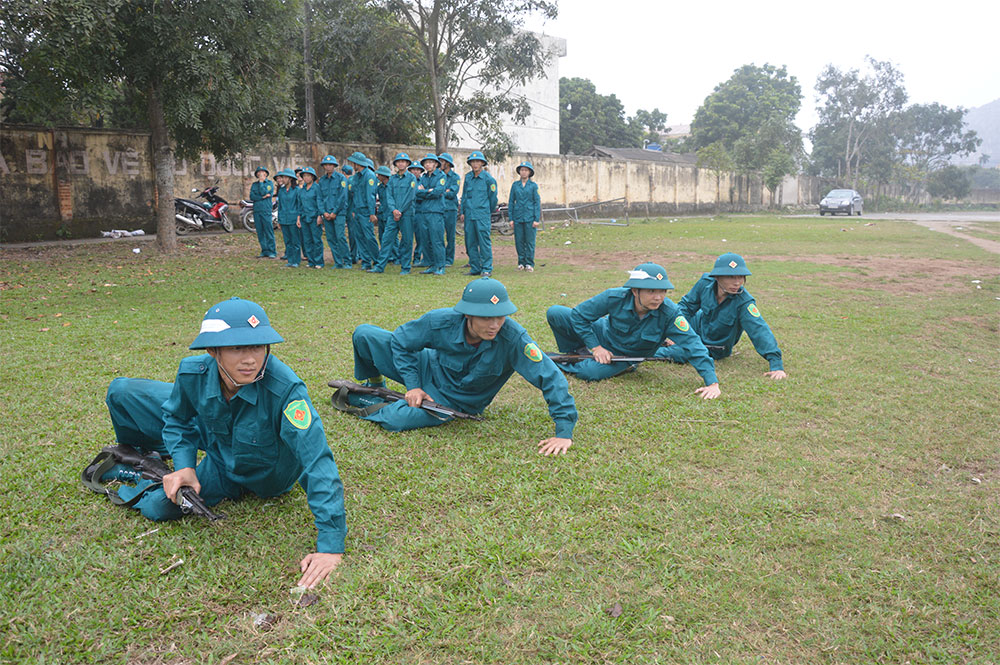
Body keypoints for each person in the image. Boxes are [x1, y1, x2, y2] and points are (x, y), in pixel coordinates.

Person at [98, 297, 347, 588]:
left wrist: (330, 548)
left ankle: (156, 470)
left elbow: (316, 461)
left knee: (158, 507)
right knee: (125, 395)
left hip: (263, 473)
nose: (250, 359)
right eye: (236, 347)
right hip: (219, 450)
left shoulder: (286, 392)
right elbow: (177, 419)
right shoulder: (194, 373)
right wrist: (184, 466)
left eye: (257, 346)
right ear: (213, 351)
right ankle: (150, 459)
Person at [340, 277, 577, 455]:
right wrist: (413, 385)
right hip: (428, 369)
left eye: (501, 316)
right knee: (365, 334)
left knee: (395, 420)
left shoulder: (513, 338)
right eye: (486, 317)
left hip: (453, 400)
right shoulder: (440, 321)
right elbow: (402, 341)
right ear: (467, 315)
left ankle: (370, 401)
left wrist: (564, 433)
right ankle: (374, 385)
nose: (494, 324)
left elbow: (551, 377)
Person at [546, 262, 722, 399]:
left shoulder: (670, 313)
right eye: (651, 291)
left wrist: (712, 382)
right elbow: (579, 315)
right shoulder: (614, 297)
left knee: (589, 373)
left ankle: (571, 361)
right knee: (556, 313)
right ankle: (576, 352)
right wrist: (596, 347)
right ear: (634, 291)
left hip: (624, 355)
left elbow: (693, 343)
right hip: (604, 333)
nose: (658, 297)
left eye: (663, 291)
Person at [655, 253, 786, 379]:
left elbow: (759, 330)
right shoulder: (705, 283)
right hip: (698, 324)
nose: (737, 282)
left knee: (682, 353)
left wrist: (776, 364)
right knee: (665, 318)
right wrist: (675, 332)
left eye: (741, 277)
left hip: (714, 345)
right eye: (731, 277)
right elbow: (686, 307)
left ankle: (642, 354)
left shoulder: (744, 303)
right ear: (717, 277)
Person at [371, 154, 416, 275]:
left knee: (407, 240)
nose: (401, 164)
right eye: (399, 162)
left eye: (403, 162)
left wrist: (400, 210)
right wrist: (394, 210)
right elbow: (388, 196)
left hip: (406, 214)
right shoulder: (392, 180)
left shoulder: (412, 178)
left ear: (407, 164)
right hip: (393, 214)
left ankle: (405, 267)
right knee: (386, 239)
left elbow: (410, 196)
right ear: (395, 164)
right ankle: (380, 266)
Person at [459, 150, 498, 277]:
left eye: (478, 161)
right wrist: (463, 211)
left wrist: (486, 211)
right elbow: (464, 195)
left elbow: (493, 199)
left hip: (482, 215)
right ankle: (475, 267)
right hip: (469, 215)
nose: (475, 164)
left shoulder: (489, 179)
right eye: (473, 162)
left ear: (482, 163)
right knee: (470, 242)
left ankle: (486, 268)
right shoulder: (468, 177)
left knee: (484, 242)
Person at [415, 153, 447, 275]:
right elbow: (417, 192)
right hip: (423, 211)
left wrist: (425, 191)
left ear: (435, 164)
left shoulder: (441, 176)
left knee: (436, 239)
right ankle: (431, 264)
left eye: (430, 162)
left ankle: (440, 266)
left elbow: (438, 191)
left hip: (435, 212)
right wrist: (428, 191)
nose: (428, 165)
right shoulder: (423, 177)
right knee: (425, 239)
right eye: (426, 163)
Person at [318, 155, 351, 269]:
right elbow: (319, 198)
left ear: (334, 166)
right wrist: (324, 212)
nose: (328, 167)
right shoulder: (322, 181)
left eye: (330, 165)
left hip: (339, 213)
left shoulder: (341, 179)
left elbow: (343, 197)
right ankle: (338, 262)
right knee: (331, 238)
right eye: (326, 165)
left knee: (340, 236)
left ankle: (347, 261)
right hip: (326, 214)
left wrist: (335, 212)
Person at [347, 153, 379, 270]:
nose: (353, 165)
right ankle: (366, 262)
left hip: (366, 211)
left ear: (358, 163)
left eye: (354, 163)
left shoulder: (369, 176)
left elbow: (370, 196)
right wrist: (354, 210)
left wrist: (372, 213)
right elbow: (354, 194)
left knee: (369, 237)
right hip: (357, 211)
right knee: (359, 237)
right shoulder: (356, 177)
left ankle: (376, 260)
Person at [508, 161, 541, 272]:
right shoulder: (515, 185)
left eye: (526, 170)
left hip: (530, 217)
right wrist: (511, 218)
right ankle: (521, 262)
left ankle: (529, 263)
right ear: (519, 172)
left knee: (530, 241)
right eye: (522, 170)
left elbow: (537, 202)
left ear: (530, 172)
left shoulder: (533, 186)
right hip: (518, 217)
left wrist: (536, 219)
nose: (524, 172)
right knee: (519, 241)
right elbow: (511, 201)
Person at [275, 168, 302, 268]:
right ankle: (290, 260)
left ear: (291, 179)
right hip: (284, 218)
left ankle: (296, 260)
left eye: (285, 177)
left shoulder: (297, 190)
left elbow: (299, 205)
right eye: (283, 177)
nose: (283, 179)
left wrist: (298, 218)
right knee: (287, 241)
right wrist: (279, 220)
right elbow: (280, 206)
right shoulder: (281, 190)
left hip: (293, 218)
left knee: (295, 241)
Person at [298, 167, 325, 269]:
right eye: (304, 176)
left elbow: (319, 202)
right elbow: (300, 205)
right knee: (307, 240)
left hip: (314, 217)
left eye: (308, 176)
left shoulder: (316, 188)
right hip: (304, 217)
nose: (306, 178)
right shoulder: (302, 190)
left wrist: (320, 215)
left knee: (316, 240)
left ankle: (319, 261)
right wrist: (298, 218)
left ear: (313, 177)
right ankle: (311, 260)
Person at [437, 152, 461, 267]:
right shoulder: (437, 175)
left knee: (450, 235)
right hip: (439, 209)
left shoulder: (455, 177)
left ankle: (449, 259)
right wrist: (441, 191)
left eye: (442, 161)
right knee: (438, 234)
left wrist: (439, 192)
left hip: (451, 209)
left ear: (448, 163)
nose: (440, 163)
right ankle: (440, 257)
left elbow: (452, 193)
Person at [407, 162, 426, 266]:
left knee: (420, 237)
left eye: (418, 170)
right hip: (408, 211)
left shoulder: (423, 181)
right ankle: (405, 257)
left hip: (419, 212)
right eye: (413, 169)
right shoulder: (406, 180)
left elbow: (423, 195)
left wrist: (420, 193)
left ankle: (417, 258)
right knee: (407, 237)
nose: (415, 171)